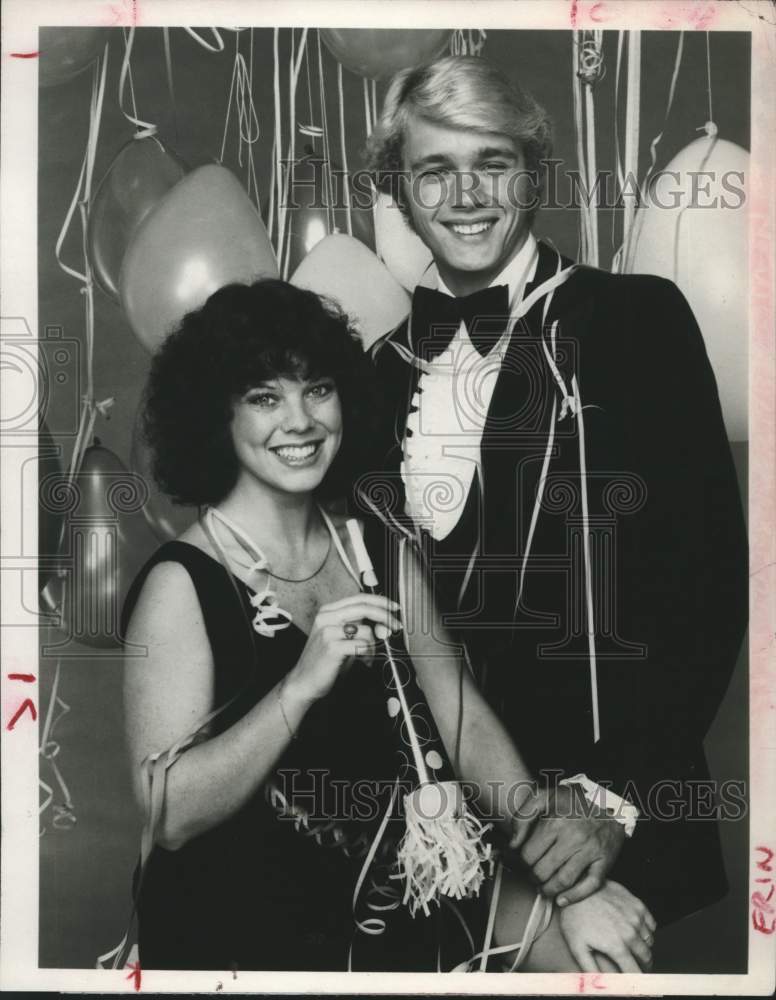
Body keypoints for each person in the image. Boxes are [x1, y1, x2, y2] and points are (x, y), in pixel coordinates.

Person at [122, 279, 653, 973]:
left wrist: (564, 878)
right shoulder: (180, 582)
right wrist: (298, 688)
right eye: (263, 398)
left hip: (395, 889)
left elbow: (459, 717)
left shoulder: (376, 546)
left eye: (316, 389)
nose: (300, 421)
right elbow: (168, 813)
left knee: (608, 958)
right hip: (239, 921)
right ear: (214, 418)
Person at [363, 54, 748, 960]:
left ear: (532, 172)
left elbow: (707, 583)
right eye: (433, 171)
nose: (464, 196)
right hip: (441, 845)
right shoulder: (376, 370)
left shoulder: (634, 321)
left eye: (491, 163)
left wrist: (613, 799)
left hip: (612, 835)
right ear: (398, 189)